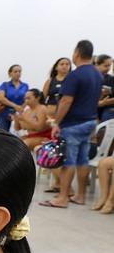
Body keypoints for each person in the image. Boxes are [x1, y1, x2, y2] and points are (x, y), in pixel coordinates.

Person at [41, 40, 103, 208]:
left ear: (77, 53)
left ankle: (62, 198)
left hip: (73, 124)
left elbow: (66, 101)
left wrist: (56, 123)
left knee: (68, 161)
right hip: (90, 121)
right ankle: (80, 196)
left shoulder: (75, 75)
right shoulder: (98, 74)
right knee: (82, 160)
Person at [0, 64, 29, 132]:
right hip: (4, 114)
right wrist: (15, 106)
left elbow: (27, 99)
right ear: (10, 73)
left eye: (19, 71)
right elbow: (1, 98)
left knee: (18, 135)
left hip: (18, 115)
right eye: (15, 71)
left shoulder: (25, 86)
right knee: (3, 135)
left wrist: (20, 108)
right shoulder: (5, 85)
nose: (18, 73)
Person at [96, 54, 114, 122]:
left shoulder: (111, 79)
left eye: (109, 66)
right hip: (94, 113)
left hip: (108, 112)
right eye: (106, 66)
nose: (108, 68)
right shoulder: (90, 78)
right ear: (97, 65)